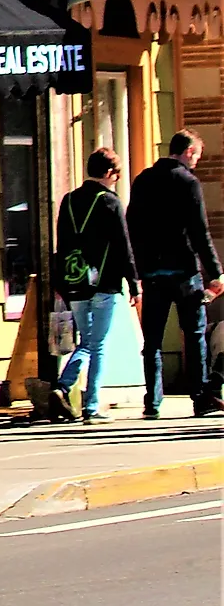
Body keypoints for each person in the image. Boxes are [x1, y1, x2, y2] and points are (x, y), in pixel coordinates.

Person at [32, 150, 135, 423]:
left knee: (86, 342)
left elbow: (61, 245)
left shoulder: (68, 201)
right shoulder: (111, 203)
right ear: (110, 174)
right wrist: (134, 283)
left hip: (75, 281)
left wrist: (60, 282)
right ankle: (91, 407)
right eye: (118, 174)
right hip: (105, 283)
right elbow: (124, 246)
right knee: (98, 344)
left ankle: (63, 386)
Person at [128, 129, 222, 419]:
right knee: (194, 335)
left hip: (153, 272)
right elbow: (199, 231)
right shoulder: (188, 182)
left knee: (152, 339)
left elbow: (132, 224)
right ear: (189, 152)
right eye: (197, 156)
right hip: (184, 271)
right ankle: (200, 397)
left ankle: (153, 402)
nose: (196, 162)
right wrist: (216, 271)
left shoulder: (143, 180)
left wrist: (139, 267)